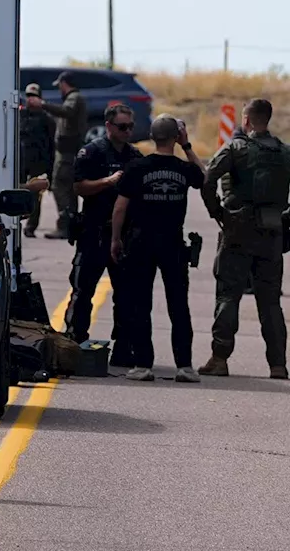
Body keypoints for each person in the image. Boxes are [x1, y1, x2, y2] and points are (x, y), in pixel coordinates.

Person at [198, 99, 290, 380]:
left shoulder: (236, 148)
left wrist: (218, 213)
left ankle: (220, 358)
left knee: (228, 295)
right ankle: (278, 365)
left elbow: (208, 180)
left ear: (247, 120)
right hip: (271, 234)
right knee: (271, 301)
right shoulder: (285, 153)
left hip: (237, 232)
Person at [110, 116, 205, 382]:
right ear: (176, 136)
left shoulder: (137, 167)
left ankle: (143, 365)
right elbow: (204, 176)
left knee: (141, 303)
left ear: (152, 137)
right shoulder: (183, 169)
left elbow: (120, 208)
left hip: (140, 241)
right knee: (178, 304)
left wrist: (115, 239)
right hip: (172, 243)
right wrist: (187, 147)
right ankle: (185, 367)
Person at [59, 104, 141, 364]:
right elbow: (79, 187)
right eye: (122, 126)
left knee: (127, 294)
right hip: (94, 232)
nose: (127, 131)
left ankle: (123, 348)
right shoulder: (92, 152)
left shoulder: (135, 156)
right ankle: (74, 342)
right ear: (108, 126)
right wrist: (107, 182)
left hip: (123, 235)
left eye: (130, 126)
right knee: (83, 291)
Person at [26, 70, 88, 239]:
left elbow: (66, 111)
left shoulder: (74, 98)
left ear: (64, 83)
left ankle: (65, 226)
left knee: (60, 188)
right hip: (67, 152)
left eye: (60, 85)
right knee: (69, 189)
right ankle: (71, 225)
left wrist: (43, 104)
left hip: (68, 153)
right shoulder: (73, 99)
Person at [19, 82, 57, 238]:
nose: (31, 100)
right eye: (28, 96)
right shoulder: (20, 115)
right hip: (21, 161)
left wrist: (49, 169)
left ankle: (31, 226)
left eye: (34, 96)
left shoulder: (47, 119)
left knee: (35, 196)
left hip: (38, 162)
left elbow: (51, 144)